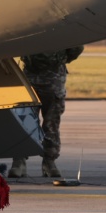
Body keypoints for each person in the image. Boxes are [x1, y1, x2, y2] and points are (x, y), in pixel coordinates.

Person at [10, 46, 83, 179]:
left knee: (50, 124)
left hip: (52, 79)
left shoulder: (63, 28)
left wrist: (61, 59)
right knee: (24, 121)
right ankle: (19, 161)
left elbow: (76, 46)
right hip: (32, 77)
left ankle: (48, 162)